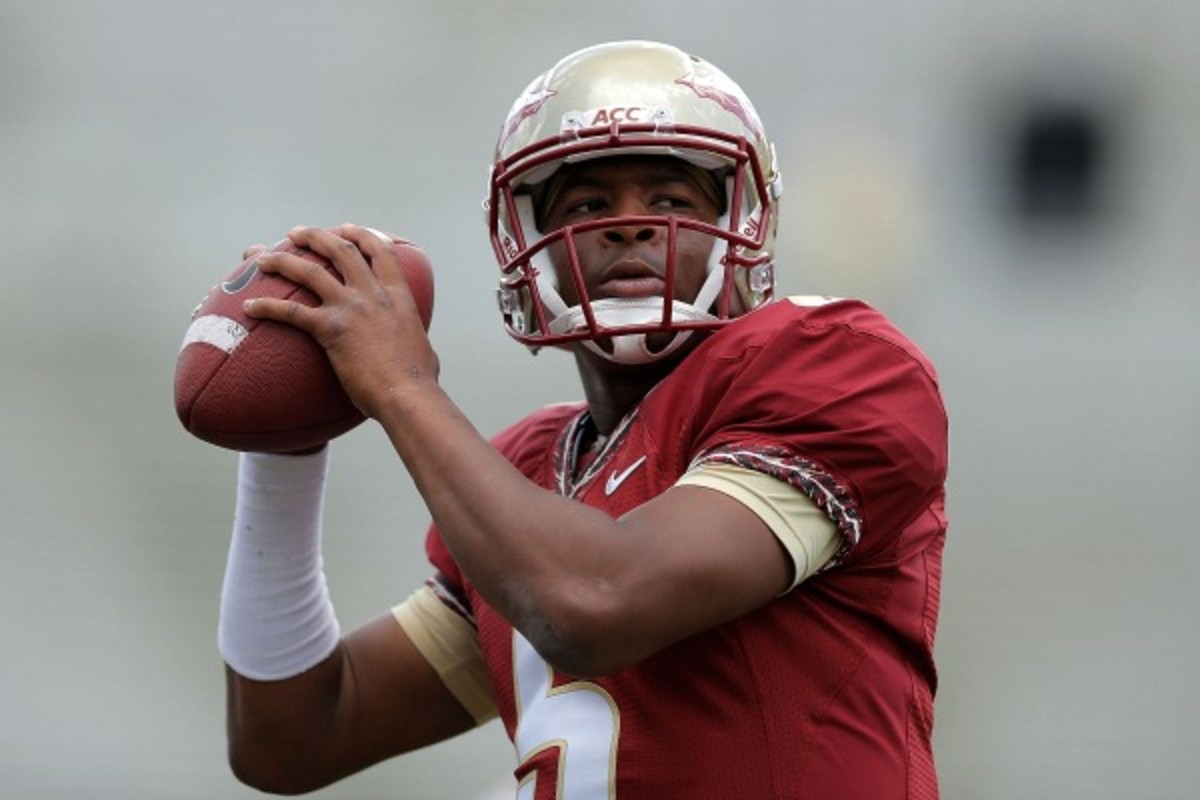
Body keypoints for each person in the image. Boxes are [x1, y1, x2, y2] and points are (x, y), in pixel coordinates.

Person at [216, 40, 949, 799]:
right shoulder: (528, 477)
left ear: (743, 219)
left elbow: (598, 604)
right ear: (526, 244)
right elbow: (293, 737)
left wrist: (402, 385)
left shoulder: (836, 363)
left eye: (669, 199)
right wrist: (284, 441)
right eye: (589, 205)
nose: (628, 226)